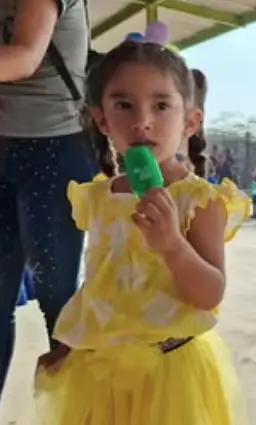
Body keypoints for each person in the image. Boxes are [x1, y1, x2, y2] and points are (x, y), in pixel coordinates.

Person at [33, 39, 248, 424]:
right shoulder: (98, 196)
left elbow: (210, 293)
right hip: (97, 373)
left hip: (172, 374)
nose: (142, 120)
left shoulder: (200, 201)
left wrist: (171, 245)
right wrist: (68, 340)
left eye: (161, 105)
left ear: (190, 121)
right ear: (101, 120)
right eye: (123, 104)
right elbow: (102, 280)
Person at [0, 0, 96, 396]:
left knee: (57, 301)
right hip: (4, 149)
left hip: (53, 151)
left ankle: (81, 412)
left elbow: (24, 56)